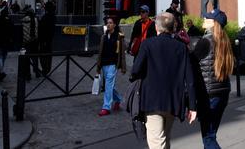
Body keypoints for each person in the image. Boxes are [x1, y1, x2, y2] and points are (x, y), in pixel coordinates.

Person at [129, 12, 198, 149]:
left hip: (151, 100)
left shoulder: (147, 44)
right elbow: (190, 79)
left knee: (157, 142)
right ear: (173, 27)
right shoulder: (181, 48)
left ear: (156, 27)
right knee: (164, 140)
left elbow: (135, 71)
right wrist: (192, 107)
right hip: (173, 101)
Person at [192, 9, 234, 149]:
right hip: (223, 93)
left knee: (208, 138)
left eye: (208, 18)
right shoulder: (225, 41)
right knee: (211, 134)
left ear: (214, 23)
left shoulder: (205, 41)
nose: (204, 19)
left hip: (208, 95)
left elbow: (191, 63)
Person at [97, 16, 126, 116]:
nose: (108, 24)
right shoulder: (104, 37)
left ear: (114, 25)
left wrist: (123, 67)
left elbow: (122, 53)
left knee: (108, 84)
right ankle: (118, 99)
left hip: (113, 64)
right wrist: (98, 67)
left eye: (110, 23)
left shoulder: (119, 36)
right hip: (104, 64)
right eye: (107, 23)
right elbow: (100, 52)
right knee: (108, 85)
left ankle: (106, 107)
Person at [37, 1, 56, 77]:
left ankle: (45, 69)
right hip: (49, 39)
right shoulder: (53, 17)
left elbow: (42, 28)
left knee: (43, 55)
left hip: (44, 39)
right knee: (48, 55)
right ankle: (47, 69)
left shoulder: (46, 17)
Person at [22, 7, 41, 78]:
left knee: (27, 58)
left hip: (26, 41)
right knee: (35, 58)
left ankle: (28, 74)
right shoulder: (36, 20)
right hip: (35, 41)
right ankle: (36, 72)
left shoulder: (24, 19)